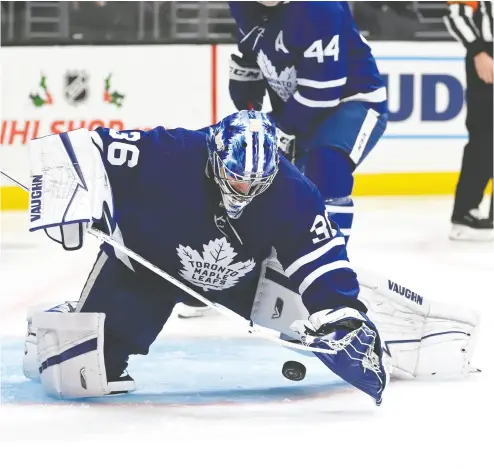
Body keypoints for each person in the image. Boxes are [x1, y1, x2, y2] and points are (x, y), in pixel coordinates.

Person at [22, 111, 478, 404]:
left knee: (339, 314)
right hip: (145, 264)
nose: (243, 191)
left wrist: (343, 315)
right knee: (73, 375)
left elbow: (322, 259)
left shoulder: (294, 191)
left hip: (243, 279)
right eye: (235, 180)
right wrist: (71, 198)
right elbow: (80, 147)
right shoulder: (170, 151)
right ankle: (68, 319)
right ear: (215, 152)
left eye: (253, 184)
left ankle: (433, 336)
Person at [228, 1, 388, 242]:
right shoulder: (243, 4)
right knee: (270, 181)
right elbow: (251, 51)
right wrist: (249, 106)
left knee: (327, 165)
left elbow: (322, 93)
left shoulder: (321, 7)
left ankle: (330, 256)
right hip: (296, 106)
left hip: (353, 101)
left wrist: (281, 129)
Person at [443, 0, 493, 241]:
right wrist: (478, 51)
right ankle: (465, 212)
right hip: (487, 53)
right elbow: (456, 13)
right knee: (484, 135)